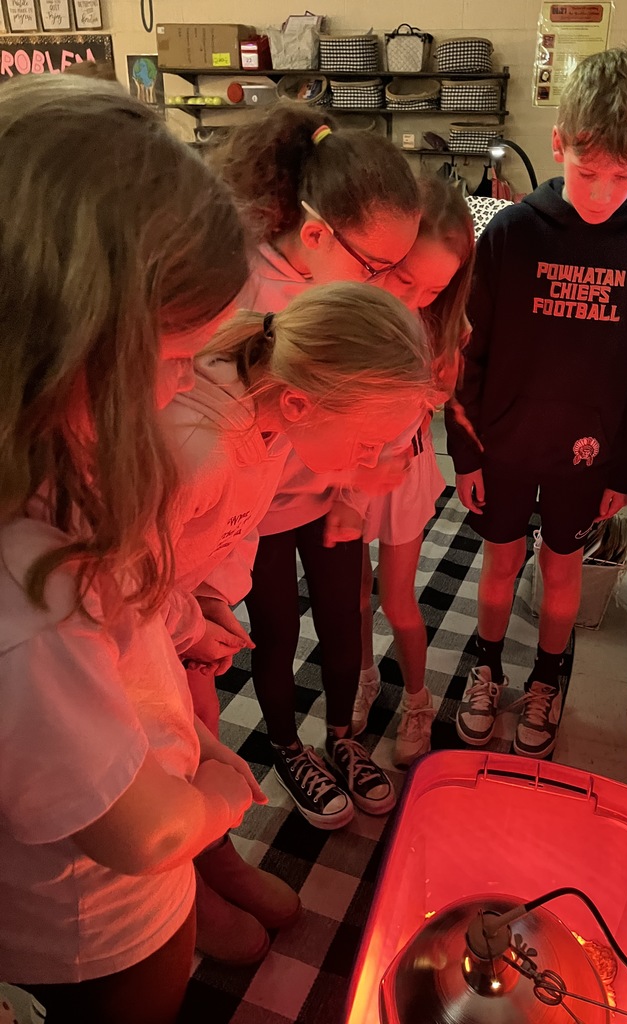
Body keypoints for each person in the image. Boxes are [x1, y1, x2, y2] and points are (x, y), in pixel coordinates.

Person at [0, 76, 260, 1024]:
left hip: (132, 861)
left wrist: (184, 619)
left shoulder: (66, 454)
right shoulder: (29, 596)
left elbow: (131, 601)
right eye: (179, 354)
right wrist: (223, 795)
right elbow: (142, 833)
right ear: (73, 341)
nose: (189, 383)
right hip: (87, 925)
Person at [162, 283, 434, 958]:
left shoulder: (271, 426)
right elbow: (115, 592)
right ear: (299, 402)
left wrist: (211, 601)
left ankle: (212, 860)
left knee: (196, 735)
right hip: (132, 647)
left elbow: (228, 536)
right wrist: (186, 625)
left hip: (175, 619)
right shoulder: (198, 451)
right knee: (171, 758)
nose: (371, 463)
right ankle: (176, 888)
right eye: (367, 442)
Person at [447, 47, 627, 759]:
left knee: (561, 568)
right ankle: (487, 669)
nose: (604, 191)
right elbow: (469, 352)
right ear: (559, 142)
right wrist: (463, 449)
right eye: (588, 173)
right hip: (502, 441)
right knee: (498, 560)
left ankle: (546, 681)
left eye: (625, 175)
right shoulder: (513, 234)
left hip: (589, 454)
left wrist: (624, 470)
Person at [212, 105, 424, 829]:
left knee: (345, 618)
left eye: (398, 268)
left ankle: (342, 737)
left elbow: (376, 397)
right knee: (272, 629)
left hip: (328, 493)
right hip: (253, 512)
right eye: (378, 267)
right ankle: (285, 743)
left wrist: (355, 488)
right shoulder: (240, 288)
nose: (388, 283)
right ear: (314, 233)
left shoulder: (354, 286)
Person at [353, 179, 476, 768]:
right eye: (407, 281)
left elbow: (442, 394)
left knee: (396, 596)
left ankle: (418, 699)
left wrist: (434, 381)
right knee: (352, 592)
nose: (420, 297)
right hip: (349, 468)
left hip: (402, 470)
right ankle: (361, 674)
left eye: (437, 287)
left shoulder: (437, 322)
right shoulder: (352, 300)